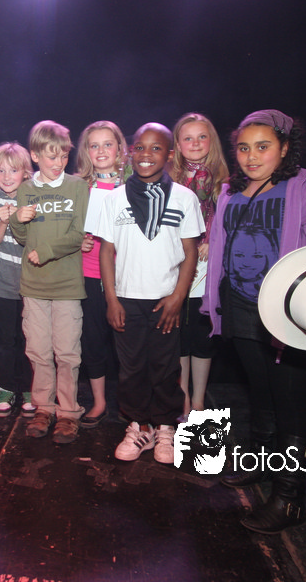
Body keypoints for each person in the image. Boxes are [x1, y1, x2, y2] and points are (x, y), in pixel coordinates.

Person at [203, 109, 306, 534]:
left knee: (291, 401)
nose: (251, 156)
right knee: (260, 391)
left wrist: (305, 314)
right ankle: (261, 464)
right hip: (241, 306)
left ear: (284, 148)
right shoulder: (230, 193)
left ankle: (290, 498)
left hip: (290, 316)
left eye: (262, 147)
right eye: (244, 148)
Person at [100, 123, 203, 463]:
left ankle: (165, 427)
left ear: (169, 154)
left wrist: (178, 297)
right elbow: (106, 252)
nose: (146, 154)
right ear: (130, 152)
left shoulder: (185, 198)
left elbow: (190, 252)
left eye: (156, 148)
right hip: (126, 299)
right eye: (140, 147)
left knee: (165, 367)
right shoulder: (114, 198)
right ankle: (138, 426)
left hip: (166, 300)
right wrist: (111, 299)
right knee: (131, 369)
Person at [9, 120, 88, 444]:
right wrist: (17, 220)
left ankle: (68, 413)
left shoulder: (77, 187)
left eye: (63, 156)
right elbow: (21, 237)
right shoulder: (26, 189)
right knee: (39, 351)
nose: (58, 163)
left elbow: (79, 234)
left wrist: (47, 251)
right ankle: (44, 408)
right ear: (35, 155)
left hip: (67, 284)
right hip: (34, 285)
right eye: (51, 156)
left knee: (67, 353)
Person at [170, 113, 228, 420]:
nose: (195, 144)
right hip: (175, 267)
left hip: (208, 268)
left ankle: (199, 400)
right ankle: (181, 399)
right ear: (178, 144)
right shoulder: (168, 180)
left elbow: (231, 223)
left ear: (211, 141)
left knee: (203, 337)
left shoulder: (225, 181)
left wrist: (213, 241)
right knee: (179, 338)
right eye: (188, 138)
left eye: (201, 137)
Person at [75, 121, 127, 429]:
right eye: (94, 145)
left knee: (128, 344)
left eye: (108, 144)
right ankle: (99, 402)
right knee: (93, 341)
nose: (102, 150)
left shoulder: (134, 185)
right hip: (89, 274)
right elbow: (67, 229)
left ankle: (131, 403)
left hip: (127, 276)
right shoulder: (79, 188)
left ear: (120, 148)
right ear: (86, 151)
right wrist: (77, 240)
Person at [0, 142, 35, 418]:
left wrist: (20, 218)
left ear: (25, 172)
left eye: (13, 170)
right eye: (1, 170)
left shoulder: (33, 197)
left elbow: (34, 241)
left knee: (30, 342)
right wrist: (3, 221)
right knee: (4, 342)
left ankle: (30, 389)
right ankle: (5, 388)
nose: (7, 177)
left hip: (30, 286)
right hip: (2, 285)